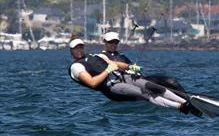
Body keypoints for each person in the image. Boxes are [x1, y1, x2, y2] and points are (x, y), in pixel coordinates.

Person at [68, 37, 198, 115]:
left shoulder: (93, 56)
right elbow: (92, 82)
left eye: (80, 47)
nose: (79, 50)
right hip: (112, 86)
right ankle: (181, 107)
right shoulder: (76, 67)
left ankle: (186, 102)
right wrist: (108, 71)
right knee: (145, 93)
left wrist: (130, 67)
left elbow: (114, 63)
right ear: (71, 51)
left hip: (123, 77)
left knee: (156, 87)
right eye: (76, 48)